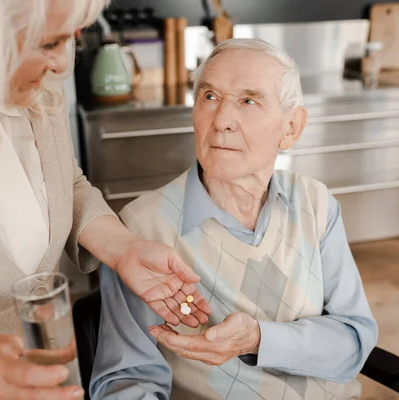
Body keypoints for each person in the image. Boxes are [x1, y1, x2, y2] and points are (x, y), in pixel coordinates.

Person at [0, 1, 210, 399]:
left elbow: (66, 184)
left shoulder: (37, 92)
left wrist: (124, 249)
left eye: (72, 37)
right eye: (50, 43)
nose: (63, 66)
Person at [90, 39, 379, 400]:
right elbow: (127, 382)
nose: (222, 121)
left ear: (291, 128)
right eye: (209, 97)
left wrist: (259, 339)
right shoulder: (141, 230)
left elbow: (354, 340)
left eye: (248, 101)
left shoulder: (315, 203)